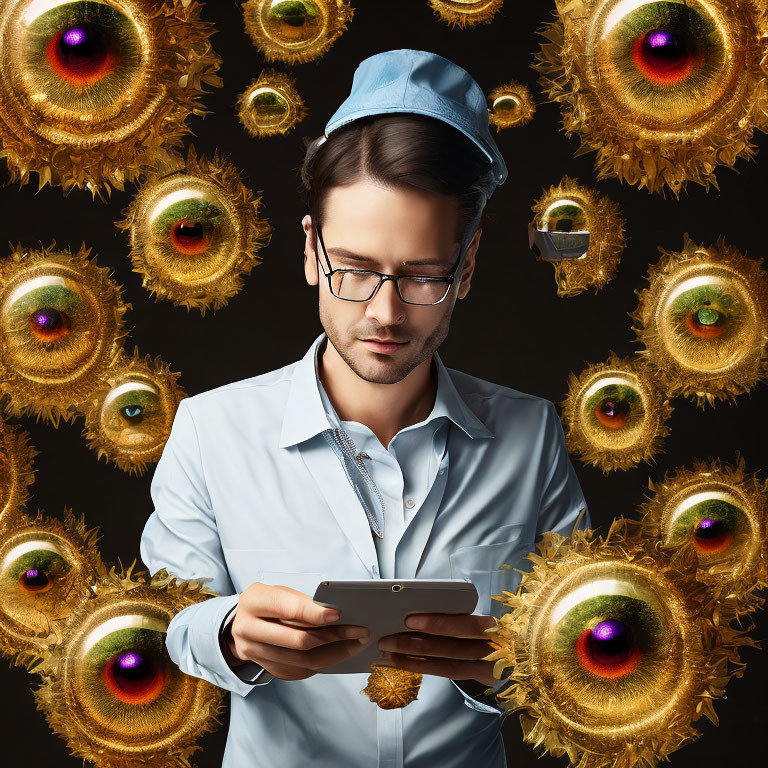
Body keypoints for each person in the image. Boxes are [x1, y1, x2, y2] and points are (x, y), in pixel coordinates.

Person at [139, 48, 591, 768]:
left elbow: (584, 649)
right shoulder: (211, 429)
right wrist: (229, 632)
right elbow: (166, 621)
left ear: (466, 268)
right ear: (313, 251)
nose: (384, 313)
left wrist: (507, 667)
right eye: (353, 270)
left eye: (422, 277)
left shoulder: (530, 435)